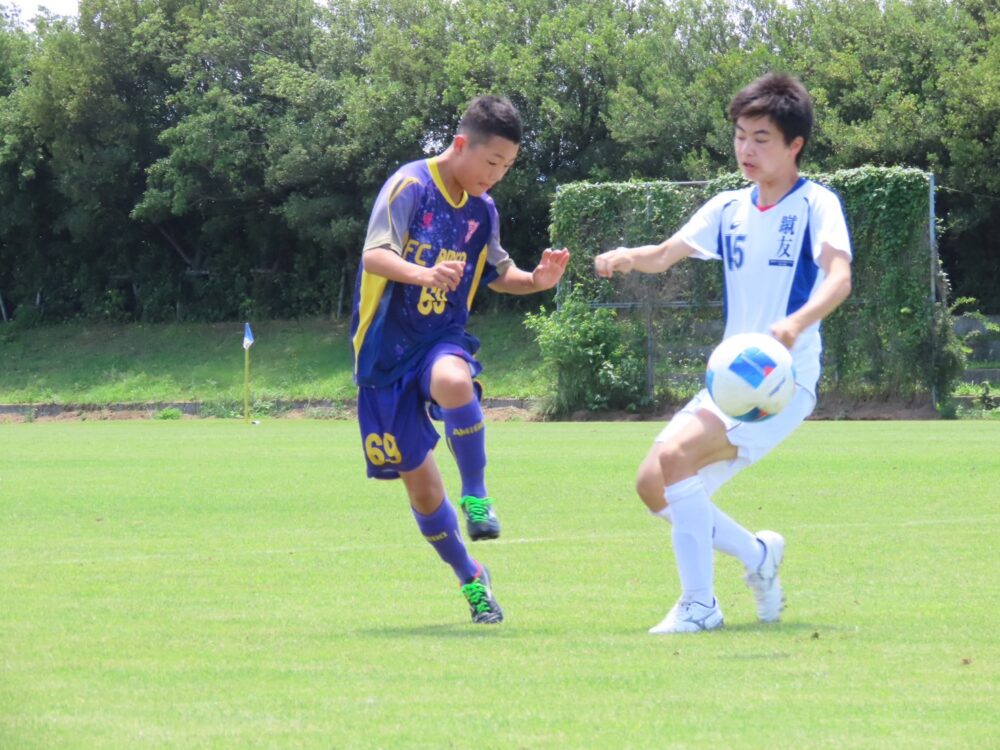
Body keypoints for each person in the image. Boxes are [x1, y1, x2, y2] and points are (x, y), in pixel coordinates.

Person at [594, 73, 852, 634]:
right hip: (730, 379)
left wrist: (797, 322)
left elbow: (839, 277)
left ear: (795, 145)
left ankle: (700, 606)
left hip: (781, 383)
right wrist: (628, 256)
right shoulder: (727, 207)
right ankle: (758, 555)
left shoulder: (817, 205)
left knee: (676, 458)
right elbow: (665, 253)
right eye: (739, 136)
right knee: (653, 484)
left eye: (761, 138)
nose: (745, 149)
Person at [351, 95, 570, 624]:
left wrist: (537, 281)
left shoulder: (482, 210)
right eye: (491, 162)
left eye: (506, 167)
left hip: (439, 338)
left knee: (454, 381)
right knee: (424, 492)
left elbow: (500, 273)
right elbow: (374, 254)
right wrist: (423, 273)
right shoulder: (410, 186)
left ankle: (476, 495)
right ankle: (471, 577)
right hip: (383, 355)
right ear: (460, 144)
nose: (495, 176)